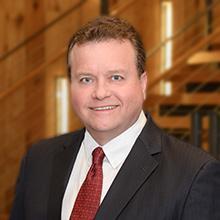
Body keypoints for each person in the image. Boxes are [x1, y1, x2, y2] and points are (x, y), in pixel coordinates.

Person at [10, 16, 220, 220]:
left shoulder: (194, 175)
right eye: (86, 79)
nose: (100, 92)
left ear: (143, 83)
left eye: (116, 77)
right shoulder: (38, 161)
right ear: (70, 86)